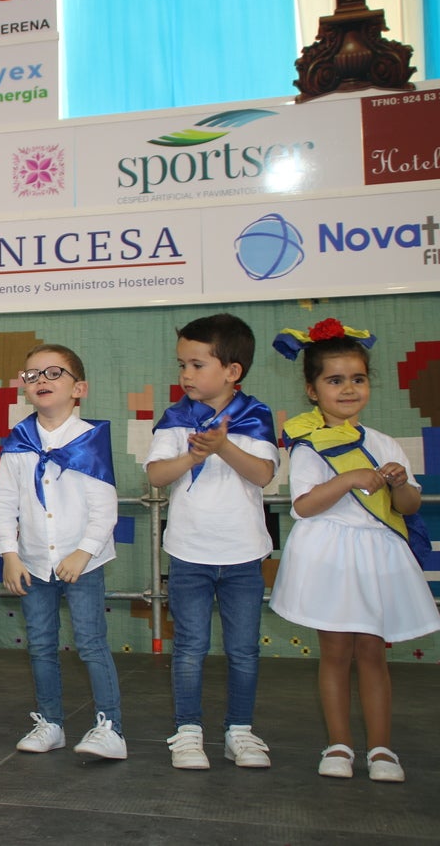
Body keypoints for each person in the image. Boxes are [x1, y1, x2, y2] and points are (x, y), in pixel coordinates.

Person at [271, 319, 440, 782]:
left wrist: (401, 484)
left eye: (358, 379)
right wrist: (346, 479)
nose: (348, 389)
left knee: (373, 651)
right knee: (336, 651)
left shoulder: (386, 443)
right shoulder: (308, 445)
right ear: (312, 390)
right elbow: (304, 507)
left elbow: (406, 507)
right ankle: (340, 744)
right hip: (331, 555)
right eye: (335, 380)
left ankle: (382, 748)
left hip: (378, 556)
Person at [144, 313, 278, 770]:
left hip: (243, 553)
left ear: (232, 370)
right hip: (188, 551)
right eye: (181, 364)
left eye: (197, 365)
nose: (185, 375)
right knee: (189, 647)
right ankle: (187, 731)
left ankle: (240, 730)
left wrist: (223, 446)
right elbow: (156, 475)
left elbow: (263, 474)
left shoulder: (255, 415)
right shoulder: (177, 417)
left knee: (243, 649)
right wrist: (191, 455)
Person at [0, 344, 126, 760]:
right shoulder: (17, 443)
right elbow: (3, 503)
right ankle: (50, 722)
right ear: (23, 387)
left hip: (81, 562)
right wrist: (9, 553)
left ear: (78, 388)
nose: (41, 381)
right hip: (33, 562)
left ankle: (110, 727)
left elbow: (105, 508)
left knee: (90, 642)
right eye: (32, 375)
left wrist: (83, 553)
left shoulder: (89, 441)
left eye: (53, 373)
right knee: (41, 644)